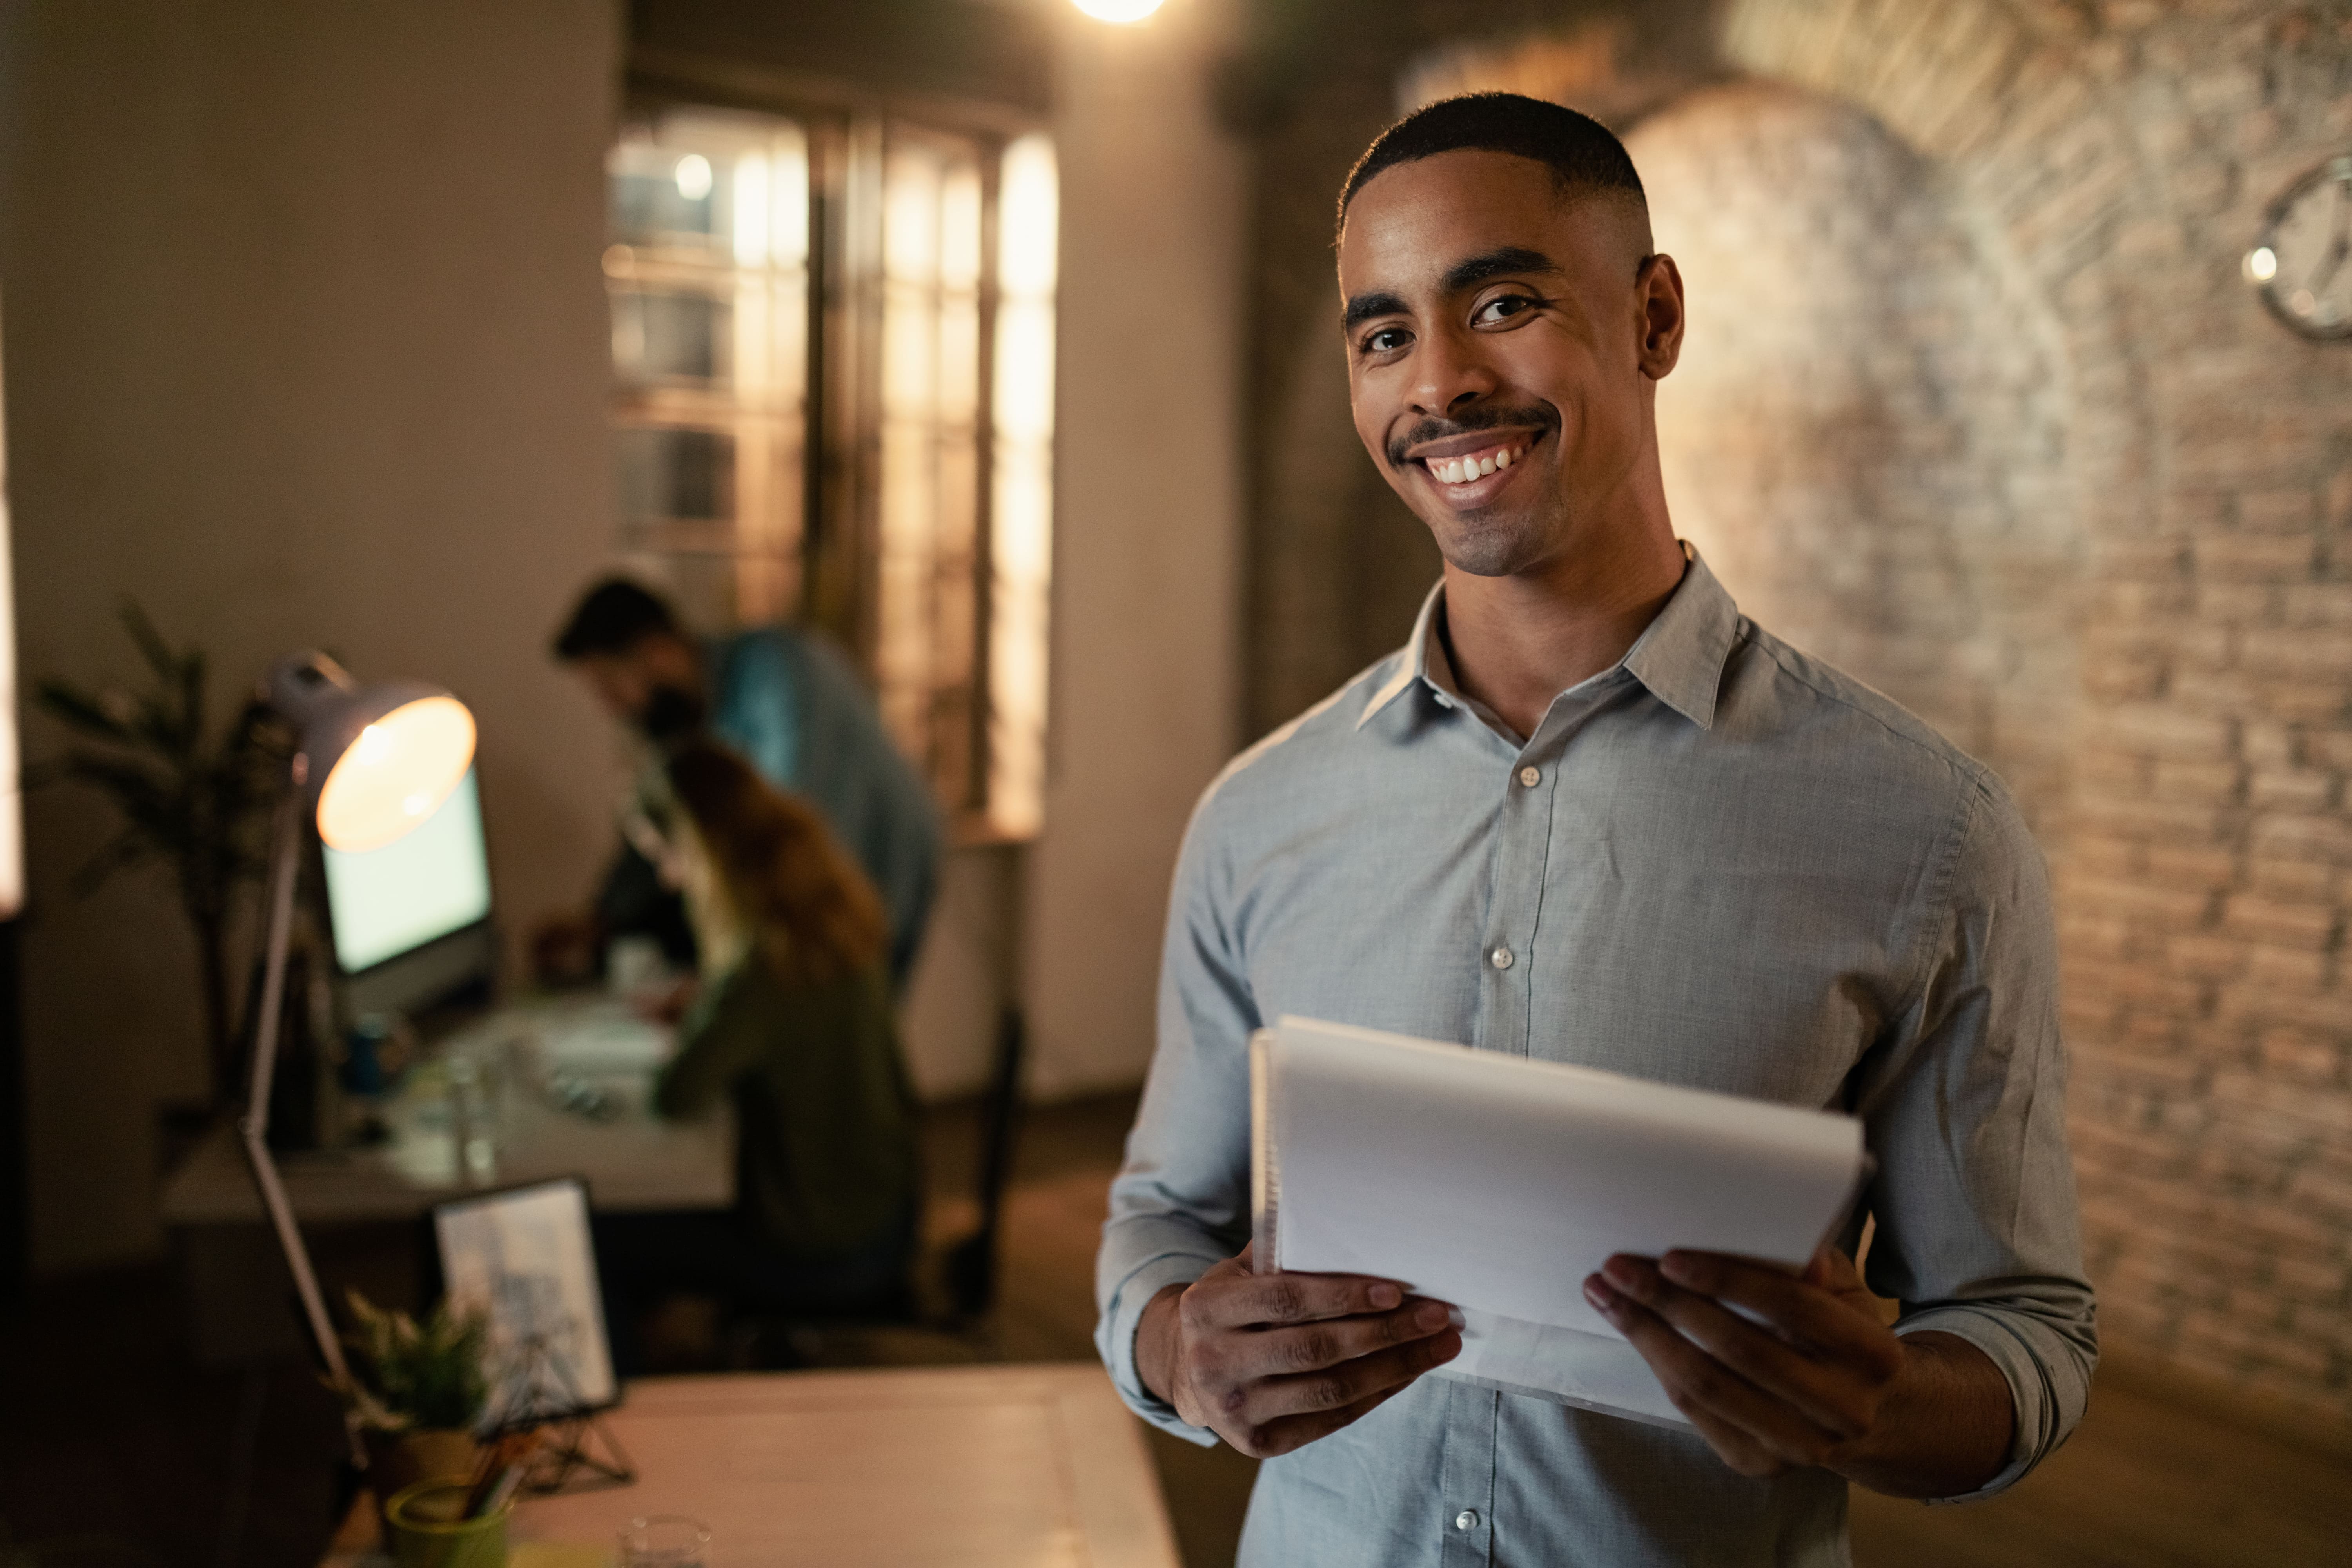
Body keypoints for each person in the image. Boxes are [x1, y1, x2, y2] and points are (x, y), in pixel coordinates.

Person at [1094, 93, 2095, 1566]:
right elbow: (1158, 1218)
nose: (1439, 383)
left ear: (1654, 317)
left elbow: (2022, 1327)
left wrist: (1877, 1403)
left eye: (1502, 304)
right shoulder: (1260, 812)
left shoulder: (1926, 830)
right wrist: (1175, 1344)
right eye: (1383, 336)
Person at [595, 739, 919, 1371]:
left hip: (824, 1250)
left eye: (667, 856)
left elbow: (678, 1095)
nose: (668, 879)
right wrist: (710, 1003)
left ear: (703, 849)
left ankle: (643, 1408)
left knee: (600, 1238)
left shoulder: (762, 971)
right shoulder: (833, 918)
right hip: (885, 1219)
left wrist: (707, 1015)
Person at [548, 579, 940, 993]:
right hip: (828, 877)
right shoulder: (690, 716)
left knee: (848, 1006)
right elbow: (665, 820)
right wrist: (602, 919)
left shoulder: (777, 676)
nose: (612, 708)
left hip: (879, 858)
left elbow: (786, 823)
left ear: (659, 652)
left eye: (610, 685)